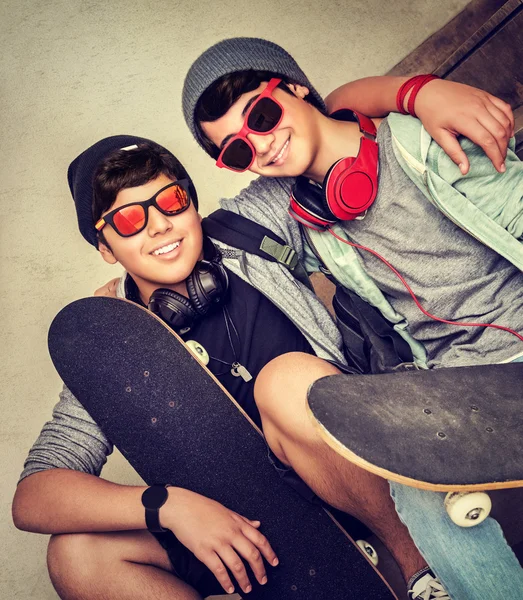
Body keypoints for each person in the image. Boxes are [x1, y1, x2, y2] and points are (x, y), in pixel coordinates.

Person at [13, 135, 447, 599]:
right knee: (75, 554)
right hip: (255, 530)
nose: (159, 225)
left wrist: (418, 94)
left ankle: (428, 571)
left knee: (285, 382)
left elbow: (322, 137)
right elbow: (34, 496)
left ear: (192, 206)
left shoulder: (249, 229)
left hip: (357, 473)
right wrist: (171, 507)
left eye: (172, 201)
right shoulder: (112, 342)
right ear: (105, 247)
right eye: (129, 219)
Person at [180, 37, 523, 599]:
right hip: (454, 385)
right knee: (408, 480)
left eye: (262, 117)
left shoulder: (417, 139)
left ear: (294, 88)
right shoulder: (309, 219)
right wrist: (123, 286)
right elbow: (193, 234)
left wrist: (416, 93)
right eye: (238, 150)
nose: (260, 147)